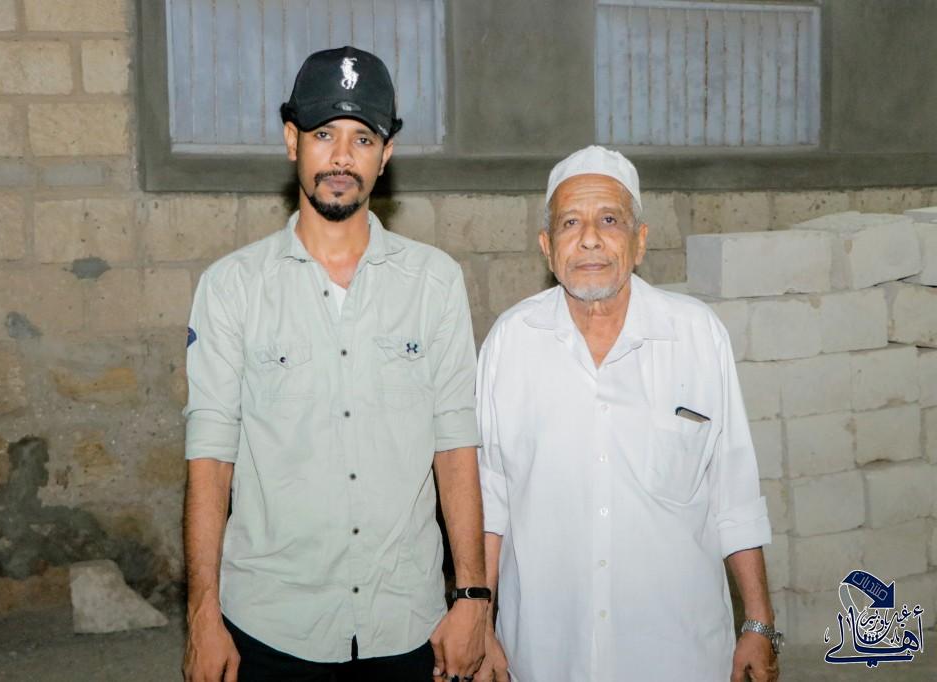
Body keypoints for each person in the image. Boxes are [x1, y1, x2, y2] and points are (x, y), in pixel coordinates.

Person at [181, 46, 488, 682]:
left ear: (386, 153)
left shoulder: (434, 282)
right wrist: (202, 613)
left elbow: (455, 445)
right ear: (292, 140)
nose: (342, 157)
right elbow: (210, 456)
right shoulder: (232, 287)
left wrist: (472, 597)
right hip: (270, 625)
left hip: (406, 623)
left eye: (362, 139)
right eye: (324, 134)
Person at [475, 146, 781, 682]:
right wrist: (480, 620)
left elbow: (732, 490)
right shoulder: (510, 342)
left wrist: (759, 621)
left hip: (677, 654)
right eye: (571, 223)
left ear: (640, 242)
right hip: (547, 652)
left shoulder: (696, 335)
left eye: (610, 220)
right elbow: (490, 497)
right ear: (547, 247)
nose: (590, 238)